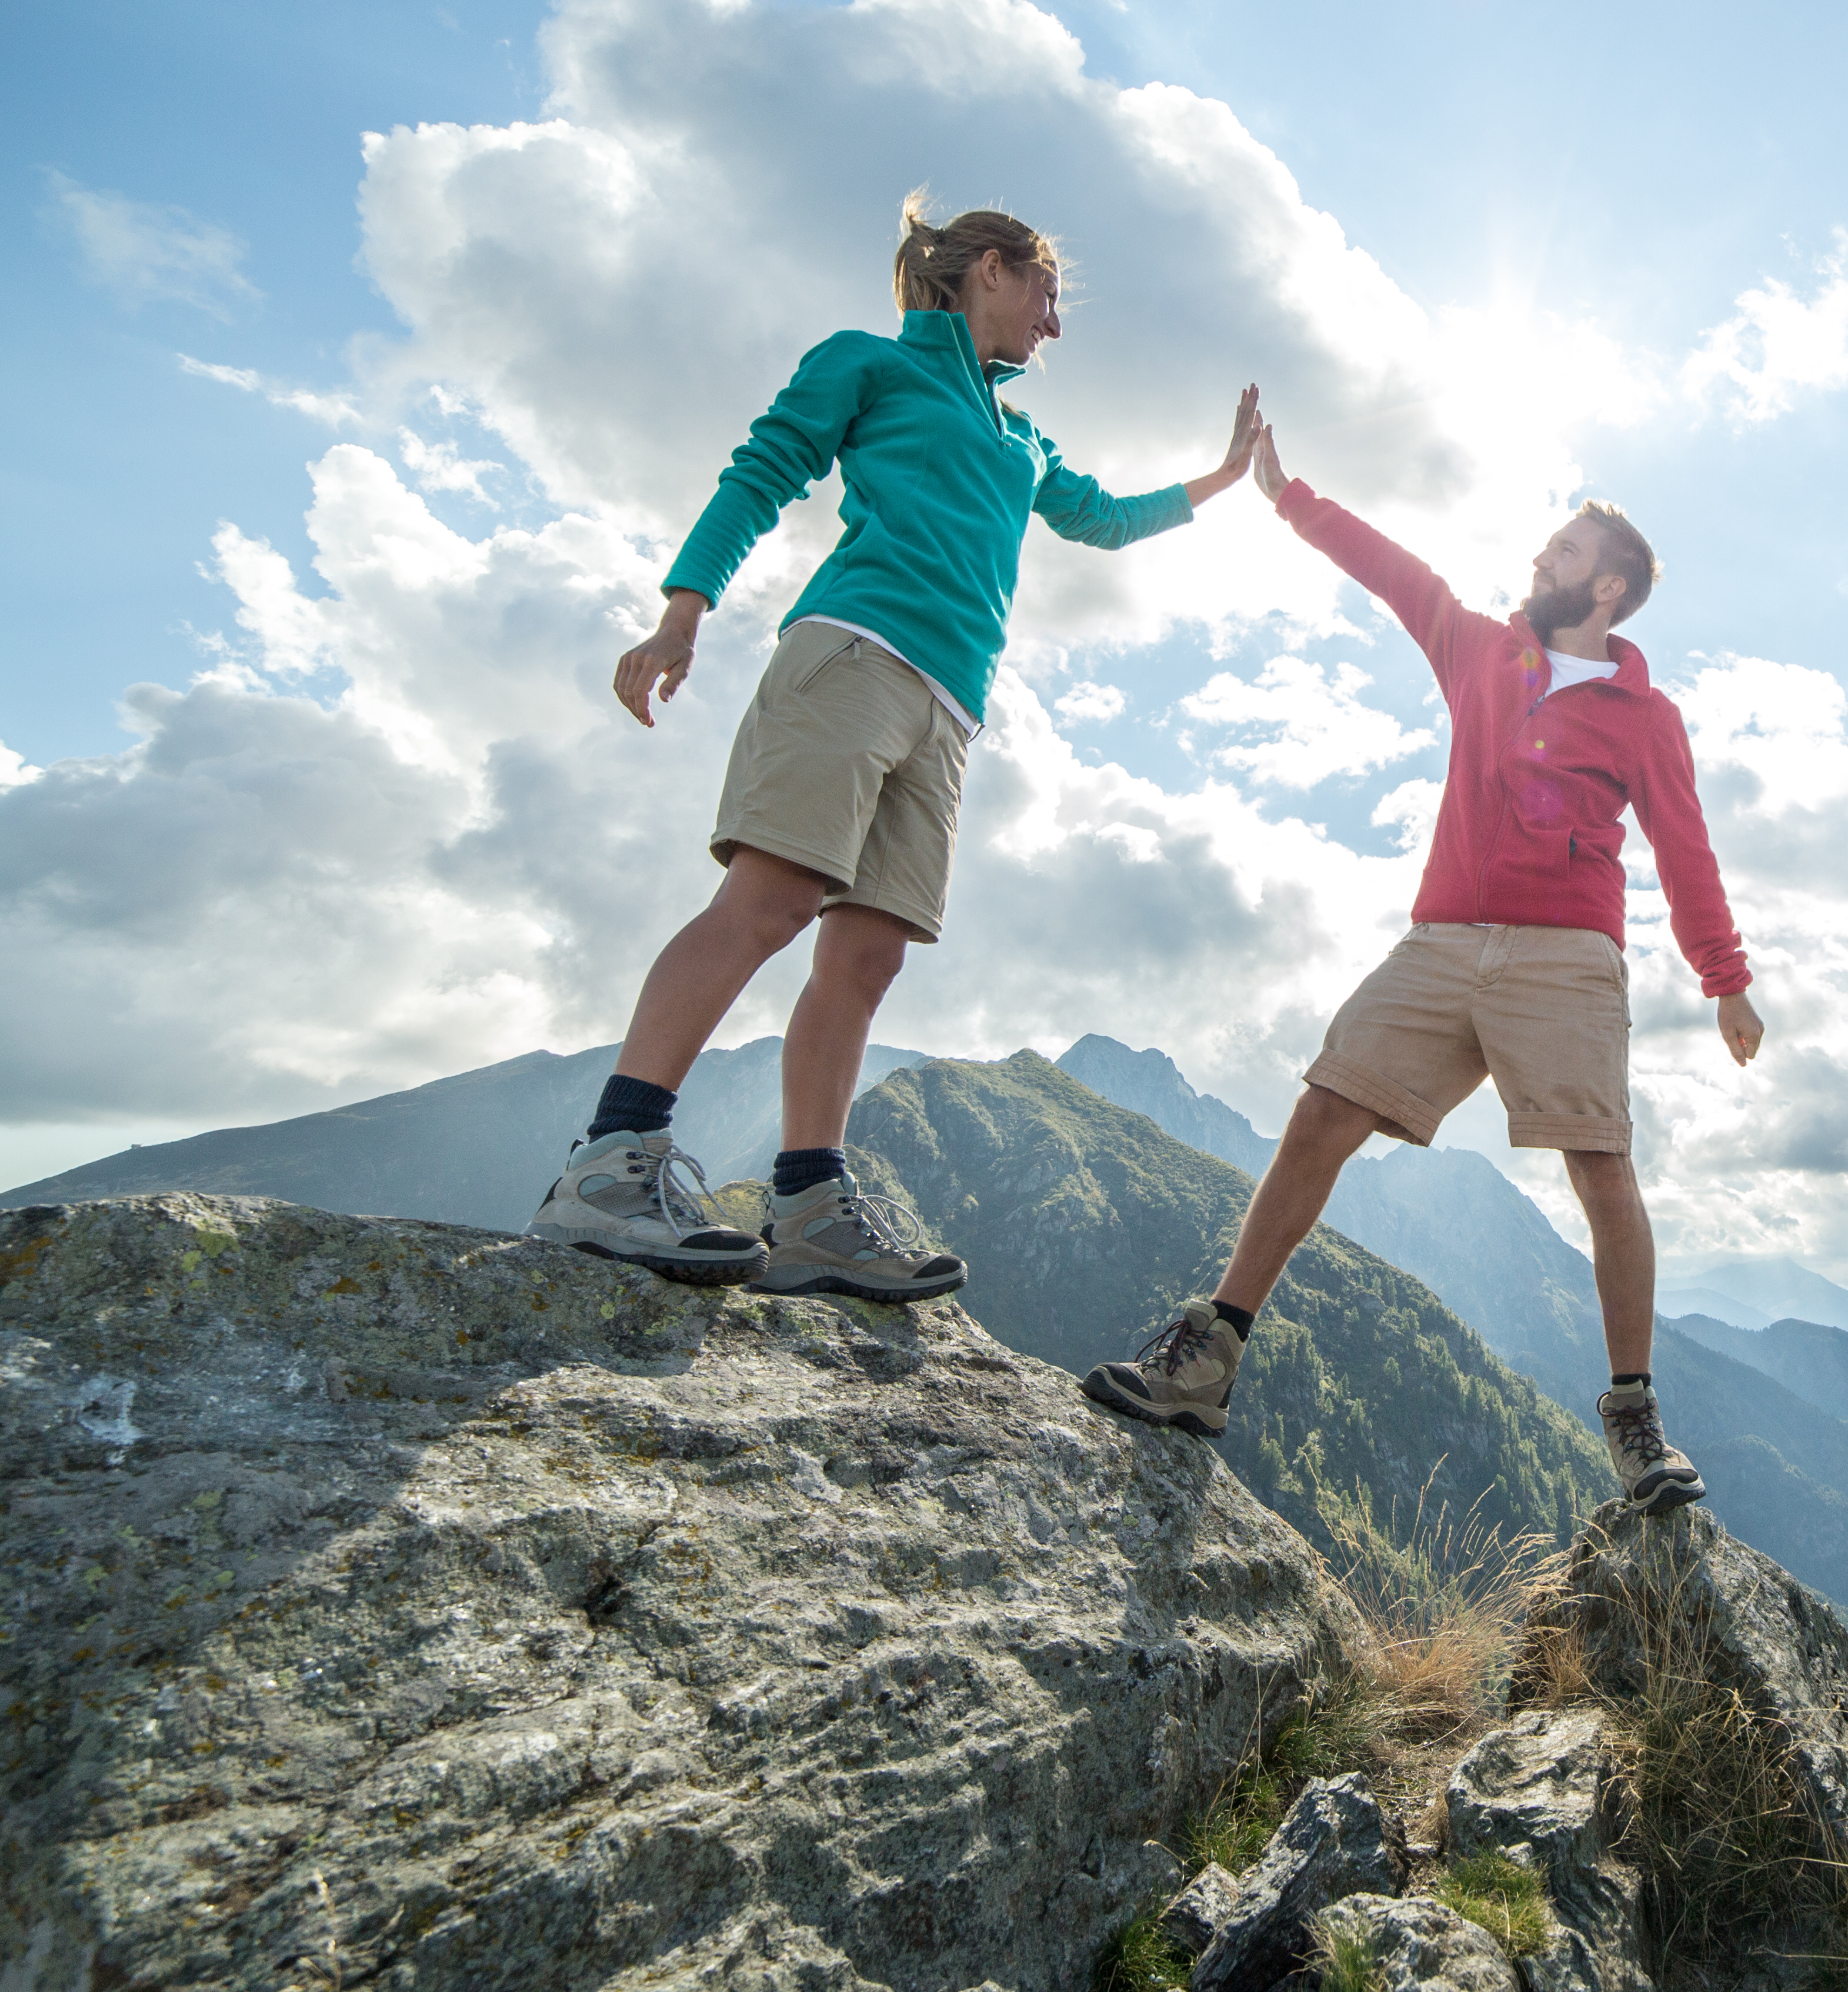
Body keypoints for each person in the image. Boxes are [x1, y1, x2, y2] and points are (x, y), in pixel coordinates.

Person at [526, 197, 1260, 1304]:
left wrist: (1221, 480)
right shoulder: (867, 363)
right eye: (1049, 296)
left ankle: (811, 1211)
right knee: (769, 904)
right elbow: (763, 471)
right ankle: (609, 1163)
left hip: (949, 708)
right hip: (854, 656)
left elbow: (1100, 520)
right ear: (995, 273)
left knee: (868, 959)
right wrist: (685, 609)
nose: (1054, 328)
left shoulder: (1022, 436)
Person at [1082, 428, 1762, 1515]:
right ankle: (1208, 1360)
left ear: (1611, 585)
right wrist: (1288, 497)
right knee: (1319, 1117)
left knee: (1601, 1173)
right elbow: (1397, 573)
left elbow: (1685, 845)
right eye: (1550, 543)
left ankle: (1635, 1423)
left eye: (1567, 550)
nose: (1543, 558)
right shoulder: (1485, 652)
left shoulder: (1646, 717)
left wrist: (1723, 977)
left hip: (1566, 957)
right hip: (1441, 942)